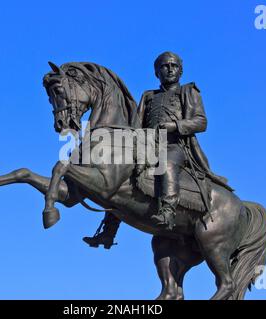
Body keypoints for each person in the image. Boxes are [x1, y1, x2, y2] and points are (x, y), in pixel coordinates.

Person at [83, 52, 229, 247]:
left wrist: (175, 126)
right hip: (147, 145)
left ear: (180, 70)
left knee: (166, 164)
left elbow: (201, 122)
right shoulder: (148, 96)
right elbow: (137, 124)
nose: (169, 69)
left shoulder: (188, 91)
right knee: (121, 173)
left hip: (175, 146)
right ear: (156, 72)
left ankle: (168, 211)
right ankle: (108, 232)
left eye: (173, 66)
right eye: (164, 66)